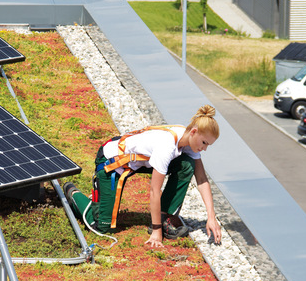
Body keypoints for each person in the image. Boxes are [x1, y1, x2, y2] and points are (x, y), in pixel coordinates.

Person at [64, 105, 222, 248]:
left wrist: (211, 217)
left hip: (138, 163)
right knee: (101, 225)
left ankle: (165, 216)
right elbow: (154, 190)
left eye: (208, 144)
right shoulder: (167, 146)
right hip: (111, 163)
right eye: (204, 143)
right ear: (194, 132)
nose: (204, 148)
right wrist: (156, 232)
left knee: (187, 165)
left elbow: (201, 180)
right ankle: (73, 193)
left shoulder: (189, 140)